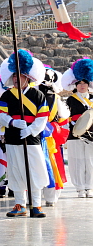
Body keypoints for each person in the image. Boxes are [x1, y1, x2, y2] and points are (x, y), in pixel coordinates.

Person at [0, 49, 49, 218]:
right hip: (12, 138)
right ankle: (20, 204)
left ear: (28, 77)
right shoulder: (7, 94)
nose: (17, 79)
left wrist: (31, 130)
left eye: (20, 76)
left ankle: (37, 205)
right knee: (16, 170)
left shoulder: (38, 95)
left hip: (31, 139)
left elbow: (42, 117)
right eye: (15, 76)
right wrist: (12, 122)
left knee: (35, 170)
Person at [62, 58, 93, 198]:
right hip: (75, 134)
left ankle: (90, 187)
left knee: (90, 161)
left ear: (88, 84)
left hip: (91, 134)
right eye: (79, 83)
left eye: (84, 83)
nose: (82, 86)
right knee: (77, 161)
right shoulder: (70, 99)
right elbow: (66, 117)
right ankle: (80, 188)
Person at [39, 67, 69, 206]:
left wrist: (56, 129)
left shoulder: (55, 98)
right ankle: (41, 196)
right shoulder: (33, 95)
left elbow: (63, 119)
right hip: (39, 135)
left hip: (50, 137)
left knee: (51, 165)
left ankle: (49, 196)